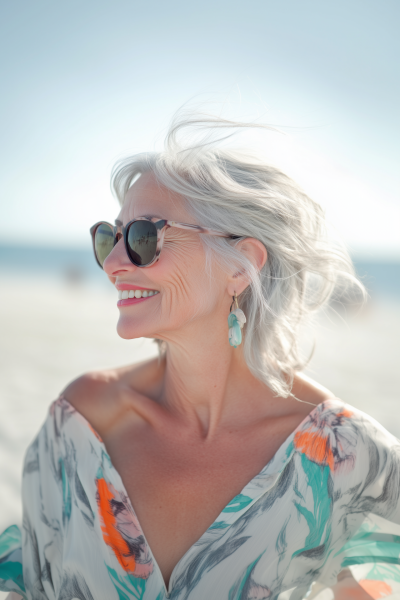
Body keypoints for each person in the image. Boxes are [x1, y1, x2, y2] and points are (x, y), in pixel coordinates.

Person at [1, 114, 400, 600]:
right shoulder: (83, 421)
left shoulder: (348, 460)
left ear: (242, 267)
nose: (112, 263)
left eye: (144, 237)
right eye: (109, 236)